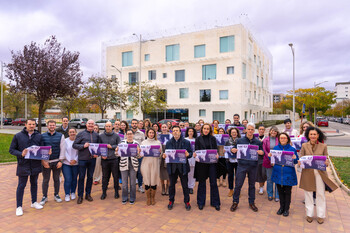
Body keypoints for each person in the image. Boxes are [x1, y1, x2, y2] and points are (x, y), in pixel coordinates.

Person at [299, 126, 338, 224]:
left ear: (318, 135)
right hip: (307, 173)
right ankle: (309, 214)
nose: (312, 136)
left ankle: (321, 215)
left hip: (320, 174)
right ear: (308, 135)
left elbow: (326, 158)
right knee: (308, 194)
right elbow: (301, 157)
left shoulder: (323, 146)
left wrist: (327, 162)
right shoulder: (304, 145)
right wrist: (300, 162)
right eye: (311, 134)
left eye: (314, 134)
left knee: (320, 194)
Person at [10, 119, 44, 216]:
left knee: (34, 184)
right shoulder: (18, 136)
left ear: (35, 125)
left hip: (35, 165)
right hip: (23, 164)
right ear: (25, 125)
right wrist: (21, 153)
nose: (31, 126)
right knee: (21, 185)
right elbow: (11, 150)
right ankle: (19, 207)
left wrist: (47, 152)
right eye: (30, 124)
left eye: (33, 124)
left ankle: (34, 202)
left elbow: (42, 148)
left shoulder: (39, 136)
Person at [230, 122, 264, 212]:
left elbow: (262, 152)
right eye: (248, 129)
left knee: (252, 185)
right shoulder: (239, 141)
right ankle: (235, 202)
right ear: (246, 130)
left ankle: (251, 202)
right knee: (238, 185)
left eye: (252, 129)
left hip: (253, 166)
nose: (250, 131)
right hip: (242, 166)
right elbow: (233, 149)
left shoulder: (257, 142)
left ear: (254, 131)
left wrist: (262, 152)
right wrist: (232, 150)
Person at [268, 132, 299, 217]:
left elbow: (296, 162)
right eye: (281, 138)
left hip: (288, 173)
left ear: (288, 139)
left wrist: (295, 158)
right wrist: (269, 156)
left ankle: (286, 209)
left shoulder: (292, 149)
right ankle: (281, 207)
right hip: (278, 172)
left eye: (284, 138)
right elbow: (272, 160)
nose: (283, 139)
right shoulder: (275, 148)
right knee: (280, 191)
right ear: (279, 139)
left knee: (288, 192)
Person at [163, 126, 192, 211]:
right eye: (174, 131)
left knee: (185, 186)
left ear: (180, 132)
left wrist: (188, 154)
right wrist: (164, 156)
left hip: (183, 167)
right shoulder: (168, 143)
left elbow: (190, 153)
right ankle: (171, 201)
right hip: (172, 167)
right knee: (171, 185)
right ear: (172, 132)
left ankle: (187, 201)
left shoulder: (186, 142)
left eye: (177, 131)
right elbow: (166, 154)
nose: (175, 132)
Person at [194, 123, 220, 211]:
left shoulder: (213, 139)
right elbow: (196, 150)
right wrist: (195, 154)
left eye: (207, 129)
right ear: (202, 130)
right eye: (204, 128)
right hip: (201, 164)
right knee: (202, 183)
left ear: (210, 130)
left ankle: (215, 202)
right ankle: (200, 202)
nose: (206, 130)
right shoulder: (198, 139)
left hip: (211, 163)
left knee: (213, 183)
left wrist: (217, 155)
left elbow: (216, 150)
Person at [73, 119, 99, 204]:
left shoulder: (96, 135)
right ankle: (80, 196)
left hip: (92, 159)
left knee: (90, 177)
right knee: (81, 177)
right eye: (89, 124)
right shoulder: (81, 134)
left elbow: (99, 146)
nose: (91, 125)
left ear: (94, 125)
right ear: (86, 125)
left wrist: (97, 154)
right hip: (82, 159)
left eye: (92, 124)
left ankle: (88, 194)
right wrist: (83, 146)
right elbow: (75, 145)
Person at [40, 120, 65, 205]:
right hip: (46, 162)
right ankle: (44, 196)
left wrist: (61, 161)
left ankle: (56, 195)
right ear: (47, 126)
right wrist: (43, 161)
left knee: (56, 179)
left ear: (55, 126)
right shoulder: (42, 136)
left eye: (53, 125)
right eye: (50, 125)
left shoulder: (60, 136)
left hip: (56, 161)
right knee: (45, 180)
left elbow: (63, 149)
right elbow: (40, 149)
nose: (52, 127)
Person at [116, 129, 141, 205]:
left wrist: (138, 152)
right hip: (124, 164)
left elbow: (139, 156)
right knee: (124, 183)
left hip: (133, 165)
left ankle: (132, 198)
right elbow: (117, 155)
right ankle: (124, 197)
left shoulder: (136, 143)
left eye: (131, 134)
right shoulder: (122, 143)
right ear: (126, 135)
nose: (129, 135)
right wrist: (117, 151)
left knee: (133, 183)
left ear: (133, 135)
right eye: (128, 134)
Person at [99, 122, 121, 200]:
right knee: (105, 177)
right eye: (106, 126)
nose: (108, 127)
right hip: (104, 160)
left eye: (109, 126)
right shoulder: (101, 136)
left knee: (115, 176)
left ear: (112, 127)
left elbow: (119, 145)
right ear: (104, 127)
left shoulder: (116, 136)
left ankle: (116, 192)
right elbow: (98, 146)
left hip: (114, 159)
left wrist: (112, 146)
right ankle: (104, 192)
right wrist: (101, 155)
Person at [141, 128, 162, 205]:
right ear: (147, 133)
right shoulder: (143, 143)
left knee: (153, 180)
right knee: (147, 180)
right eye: (150, 132)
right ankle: (148, 198)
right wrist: (140, 152)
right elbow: (140, 155)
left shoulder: (158, 142)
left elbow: (161, 155)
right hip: (145, 163)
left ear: (154, 134)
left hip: (155, 163)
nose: (151, 134)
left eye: (152, 133)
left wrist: (160, 153)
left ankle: (153, 198)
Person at [59, 128, 79, 202]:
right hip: (66, 163)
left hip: (76, 163)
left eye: (73, 132)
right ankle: (67, 194)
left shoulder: (78, 141)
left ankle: (73, 192)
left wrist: (75, 160)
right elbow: (63, 151)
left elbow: (79, 152)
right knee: (68, 179)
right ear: (68, 133)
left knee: (74, 179)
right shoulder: (65, 141)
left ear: (76, 132)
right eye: (70, 132)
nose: (72, 133)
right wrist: (69, 160)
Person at [262, 126, 280, 201]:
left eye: (275, 131)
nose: (273, 132)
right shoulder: (265, 140)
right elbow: (264, 151)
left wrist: (275, 160)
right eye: (272, 131)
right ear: (269, 132)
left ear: (277, 133)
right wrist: (270, 159)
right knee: (269, 179)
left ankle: (277, 195)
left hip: (278, 162)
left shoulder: (279, 140)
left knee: (277, 179)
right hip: (268, 161)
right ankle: (270, 194)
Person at [130, 119, 145, 193]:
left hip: (139, 156)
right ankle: (131, 187)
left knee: (139, 172)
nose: (134, 125)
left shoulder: (141, 133)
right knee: (131, 172)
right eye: (133, 123)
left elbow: (143, 144)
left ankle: (140, 186)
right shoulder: (128, 133)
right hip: (130, 156)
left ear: (138, 124)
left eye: (136, 123)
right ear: (131, 124)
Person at [225, 127, 240, 197]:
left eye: (235, 132)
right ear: (230, 134)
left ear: (237, 133)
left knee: (238, 176)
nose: (234, 133)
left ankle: (237, 190)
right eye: (232, 132)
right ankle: (231, 189)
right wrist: (225, 151)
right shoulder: (227, 142)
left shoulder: (240, 141)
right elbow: (224, 150)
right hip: (229, 161)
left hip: (238, 161)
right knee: (230, 175)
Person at [185, 127, 197, 194]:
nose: (191, 132)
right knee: (186, 173)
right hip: (186, 158)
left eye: (192, 131)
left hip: (194, 157)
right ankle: (186, 186)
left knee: (192, 173)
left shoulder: (196, 140)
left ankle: (191, 187)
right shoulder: (185, 140)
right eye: (189, 131)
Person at [159, 124, 170, 195]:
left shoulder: (171, 135)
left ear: (167, 128)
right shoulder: (158, 136)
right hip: (160, 156)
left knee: (168, 174)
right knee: (162, 174)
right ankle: (163, 187)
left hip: (168, 156)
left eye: (165, 127)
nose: (164, 128)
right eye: (163, 127)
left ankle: (168, 188)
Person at [256, 125, 267, 195]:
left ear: (264, 130)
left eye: (263, 129)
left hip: (265, 158)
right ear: (258, 130)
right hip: (257, 158)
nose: (261, 130)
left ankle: (263, 185)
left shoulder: (266, 139)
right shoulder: (255, 138)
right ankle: (261, 187)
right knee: (259, 172)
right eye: (260, 129)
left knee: (264, 173)